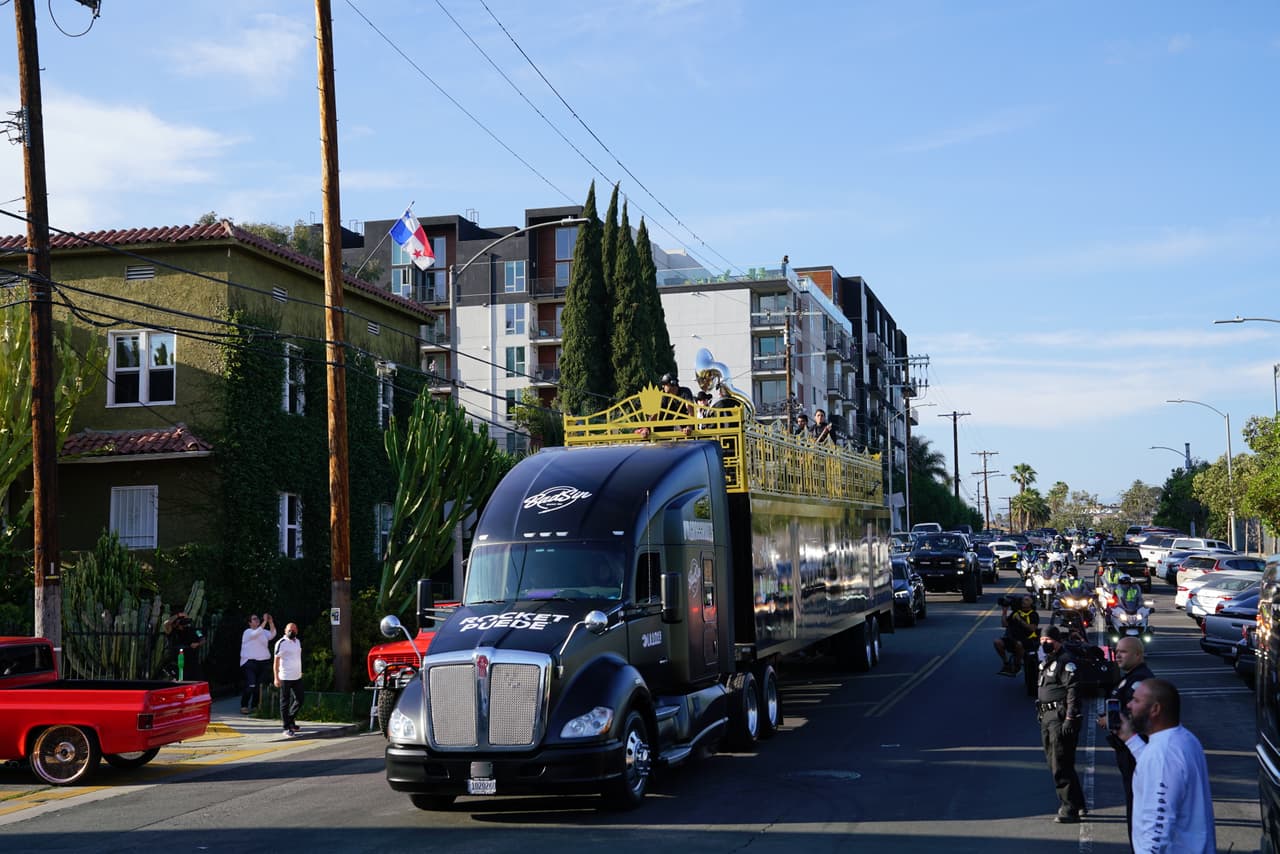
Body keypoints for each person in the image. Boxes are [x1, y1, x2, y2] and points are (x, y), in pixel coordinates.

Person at [1120, 678, 1216, 853]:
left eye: (1136, 700)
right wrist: (1131, 739)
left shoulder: (1163, 754)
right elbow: (1157, 770)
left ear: (1155, 709)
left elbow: (1158, 824)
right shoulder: (1184, 739)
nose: (1129, 705)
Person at [1096, 636, 1156, 849]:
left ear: (1138, 655)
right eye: (1117, 651)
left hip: (1136, 753)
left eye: (1124, 652)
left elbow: (1137, 715)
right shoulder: (1128, 678)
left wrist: (1112, 720)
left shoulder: (1139, 681)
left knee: (1138, 808)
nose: (1118, 655)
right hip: (1127, 751)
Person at [1036, 625, 1086, 823]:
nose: (1044, 645)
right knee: (1057, 762)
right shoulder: (1047, 661)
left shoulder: (1066, 662)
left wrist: (1070, 718)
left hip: (1060, 717)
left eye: (1048, 641)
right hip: (1047, 716)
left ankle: (1069, 809)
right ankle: (1078, 802)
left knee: (1060, 765)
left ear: (1058, 641)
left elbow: (1073, 690)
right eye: (1042, 642)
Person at [239, 612, 276, 714]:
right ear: (250, 623)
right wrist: (265, 621)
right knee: (251, 684)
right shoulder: (248, 632)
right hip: (249, 662)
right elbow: (256, 633)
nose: (257, 620)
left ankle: (254, 706)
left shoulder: (263, 631)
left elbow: (272, 635)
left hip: (262, 662)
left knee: (258, 686)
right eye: (254, 619)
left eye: (257, 619)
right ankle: (244, 705)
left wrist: (271, 622)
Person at [995, 595, 1039, 675]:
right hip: (1013, 638)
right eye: (1023, 599)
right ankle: (1006, 663)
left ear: (1031, 603)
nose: (1023, 601)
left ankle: (1017, 665)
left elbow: (1032, 628)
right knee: (997, 642)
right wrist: (1004, 611)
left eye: (1027, 600)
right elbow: (1004, 624)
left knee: (1019, 644)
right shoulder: (1016, 613)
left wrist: (1020, 620)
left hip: (1027, 639)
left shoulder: (1033, 614)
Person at [273, 622, 304, 737]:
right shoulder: (281, 643)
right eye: (290, 629)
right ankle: (286, 727)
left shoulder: (298, 642)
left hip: (296, 676)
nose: (292, 631)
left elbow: (297, 657)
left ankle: (290, 720)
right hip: (285, 677)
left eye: (294, 629)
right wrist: (276, 677)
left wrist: (300, 671)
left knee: (300, 699)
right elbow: (275, 662)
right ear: (285, 631)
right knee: (285, 702)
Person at [163, 609, 203, 680]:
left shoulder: (193, 630)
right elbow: (166, 623)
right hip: (177, 662)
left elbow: (202, 638)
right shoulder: (172, 631)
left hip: (191, 662)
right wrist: (178, 615)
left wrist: (198, 644)